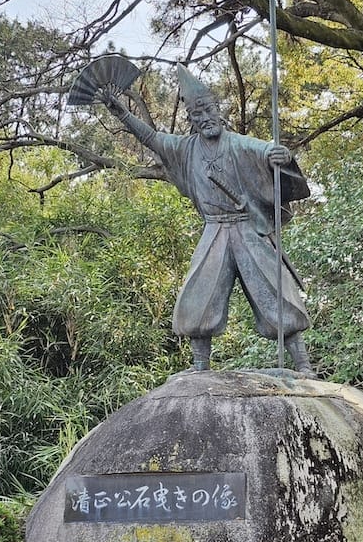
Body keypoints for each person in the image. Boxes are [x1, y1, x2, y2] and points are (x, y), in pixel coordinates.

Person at [105, 63, 316, 376]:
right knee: (199, 293)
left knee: (274, 290)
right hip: (215, 229)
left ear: (220, 112)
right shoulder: (186, 149)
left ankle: (303, 364)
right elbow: (151, 137)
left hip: (246, 226)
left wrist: (279, 155)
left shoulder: (240, 143)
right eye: (196, 115)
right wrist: (119, 110)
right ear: (191, 121)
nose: (204, 119)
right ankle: (200, 365)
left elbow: (268, 151)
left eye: (208, 112)